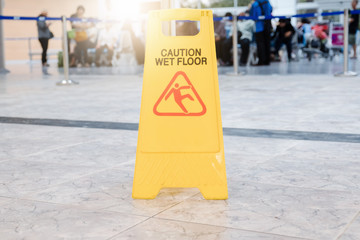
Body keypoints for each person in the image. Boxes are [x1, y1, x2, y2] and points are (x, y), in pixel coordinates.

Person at [250, 0, 273, 66]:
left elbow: (253, 15)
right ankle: (267, 61)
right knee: (267, 43)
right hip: (267, 26)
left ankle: (261, 61)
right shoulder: (267, 2)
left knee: (260, 45)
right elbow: (271, 10)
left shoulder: (255, 4)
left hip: (259, 26)